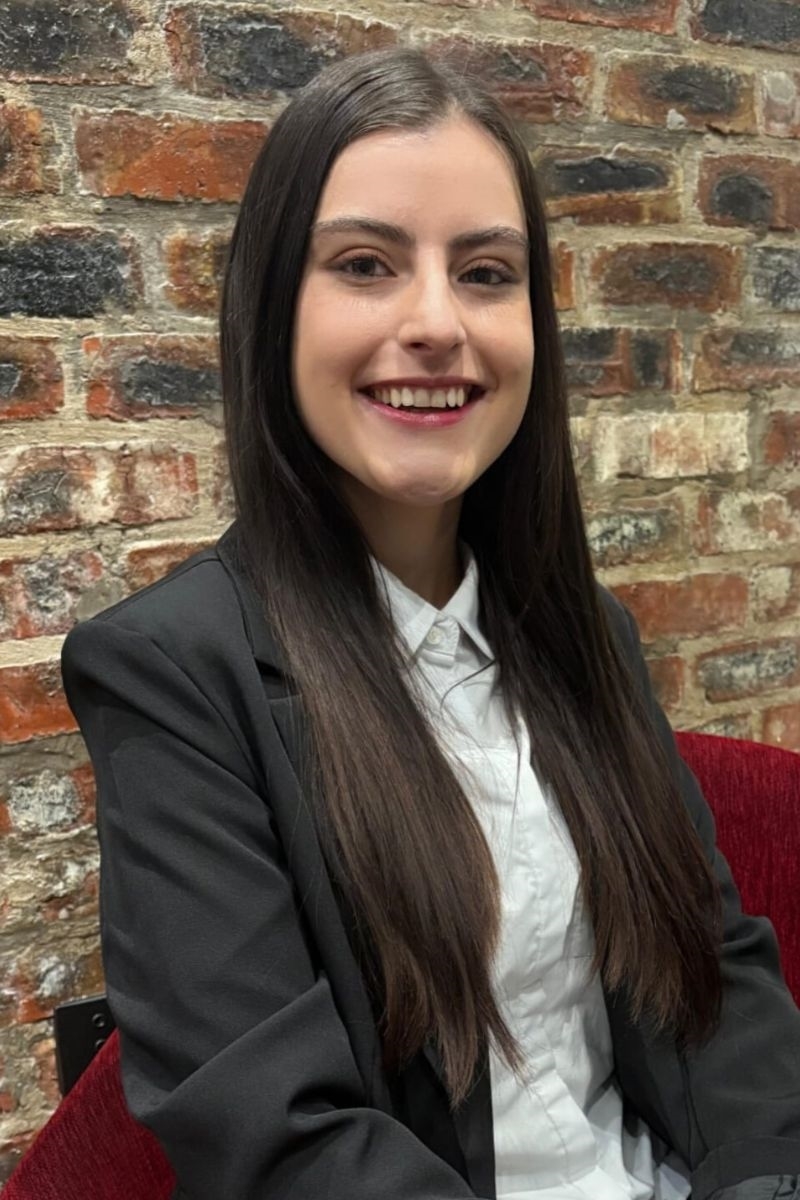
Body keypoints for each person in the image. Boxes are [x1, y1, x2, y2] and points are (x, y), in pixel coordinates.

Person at [60, 47, 800, 1200]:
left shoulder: (584, 633)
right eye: (364, 264)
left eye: (485, 273)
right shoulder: (175, 673)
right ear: (272, 306)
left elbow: (714, 975)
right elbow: (273, 1136)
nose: (435, 323)